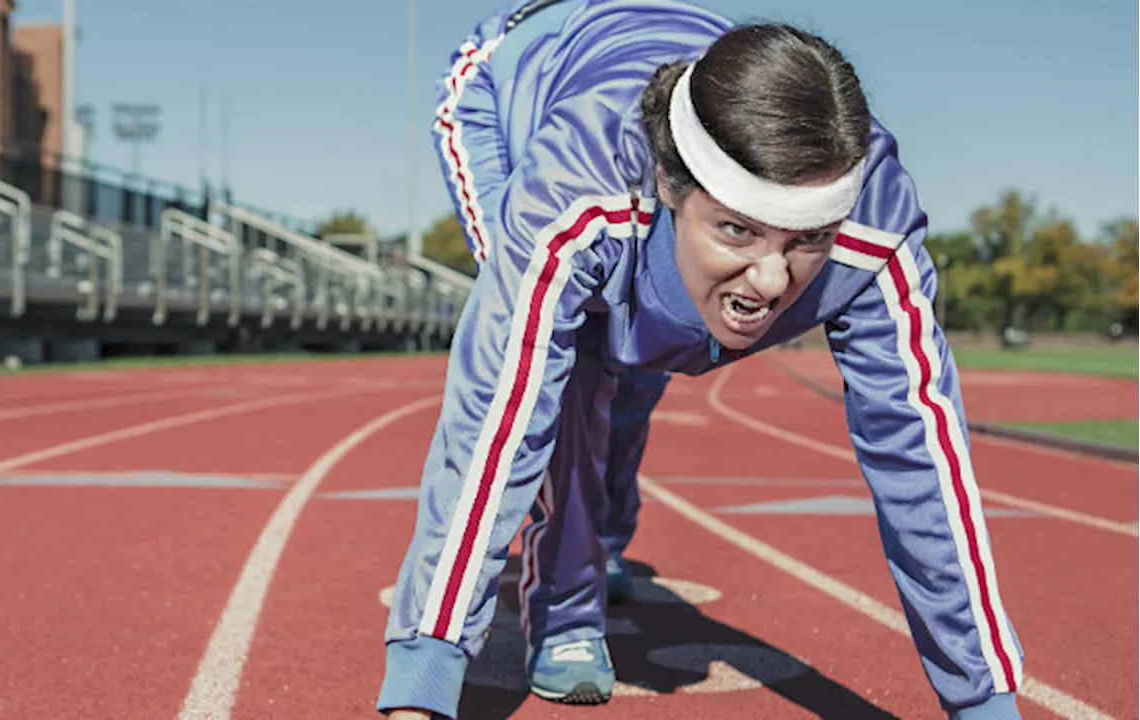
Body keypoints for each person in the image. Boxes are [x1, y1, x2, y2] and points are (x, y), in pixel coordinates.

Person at [380, 1, 1024, 719]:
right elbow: (496, 418)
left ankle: (604, 536)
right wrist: (425, 670)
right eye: (737, 231)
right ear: (671, 186)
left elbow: (922, 457)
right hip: (508, 90)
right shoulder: (575, 188)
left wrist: (985, 699)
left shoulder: (875, 228)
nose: (772, 280)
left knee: (643, 362)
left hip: (675, 68)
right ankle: (565, 608)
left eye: (804, 240)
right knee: (569, 366)